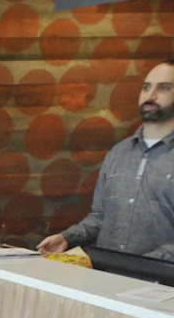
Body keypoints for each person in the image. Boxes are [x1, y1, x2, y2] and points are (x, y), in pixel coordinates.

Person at [39, 59, 174, 261]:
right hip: (106, 275)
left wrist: (141, 265)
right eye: (146, 87)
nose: (150, 95)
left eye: (163, 88)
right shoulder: (119, 153)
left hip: (159, 279)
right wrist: (67, 238)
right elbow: (100, 217)